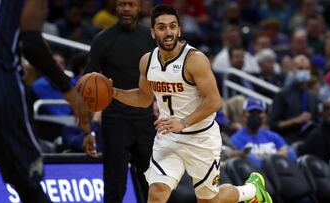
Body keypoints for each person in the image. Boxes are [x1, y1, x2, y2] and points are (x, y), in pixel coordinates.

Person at [110, 5, 272, 203]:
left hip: (201, 138)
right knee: (157, 193)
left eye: (172, 26)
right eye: (162, 27)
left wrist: (184, 122)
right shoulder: (147, 61)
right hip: (168, 137)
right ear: (153, 32)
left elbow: (214, 101)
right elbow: (143, 99)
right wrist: (114, 92)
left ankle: (251, 191)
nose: (168, 32)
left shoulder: (194, 59)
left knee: (209, 200)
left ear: (179, 29)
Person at [0, 1, 91, 203]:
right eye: (44, 5)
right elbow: (31, 42)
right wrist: (68, 88)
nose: (45, 11)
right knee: (28, 181)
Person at [83, 0, 157, 202]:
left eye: (131, 4)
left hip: (146, 120)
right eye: (122, 4)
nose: (126, 9)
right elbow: (86, 86)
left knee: (152, 187)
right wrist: (88, 129)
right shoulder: (102, 40)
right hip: (115, 121)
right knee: (115, 188)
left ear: (139, 7)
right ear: (115, 7)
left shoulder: (150, 38)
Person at [231, 97, 296, 169]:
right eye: (251, 112)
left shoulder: (272, 136)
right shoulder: (236, 139)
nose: (255, 116)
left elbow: (285, 151)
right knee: (251, 158)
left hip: (277, 172)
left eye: (259, 113)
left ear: (265, 116)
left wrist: (265, 159)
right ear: (243, 115)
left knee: (291, 151)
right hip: (255, 175)